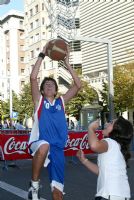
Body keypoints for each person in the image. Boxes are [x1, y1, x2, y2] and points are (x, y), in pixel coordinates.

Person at [28, 42, 81, 200]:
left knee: (57, 194)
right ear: (43, 91)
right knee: (44, 146)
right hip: (39, 142)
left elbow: (78, 85)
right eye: (46, 85)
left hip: (58, 149)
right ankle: (34, 186)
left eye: (52, 84)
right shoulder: (39, 102)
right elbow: (32, 78)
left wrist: (67, 64)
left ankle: (51, 190)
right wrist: (42, 55)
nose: (49, 85)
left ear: (56, 90)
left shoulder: (61, 103)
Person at [77, 116, 133, 200]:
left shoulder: (110, 142)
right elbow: (102, 171)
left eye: (111, 123)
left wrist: (91, 128)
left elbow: (94, 145)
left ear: (117, 130)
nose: (106, 123)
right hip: (114, 194)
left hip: (111, 194)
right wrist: (84, 160)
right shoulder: (115, 146)